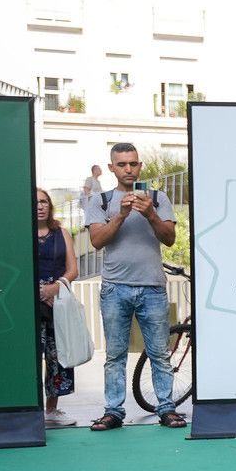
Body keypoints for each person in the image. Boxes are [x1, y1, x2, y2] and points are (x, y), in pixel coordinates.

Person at [84, 143, 184, 431]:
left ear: (140, 166)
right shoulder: (100, 201)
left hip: (152, 286)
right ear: (112, 167)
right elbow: (97, 241)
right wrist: (121, 215)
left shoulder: (157, 197)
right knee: (114, 354)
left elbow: (169, 239)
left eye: (133, 164)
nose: (128, 169)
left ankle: (166, 408)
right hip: (115, 287)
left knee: (159, 352)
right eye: (122, 164)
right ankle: (113, 411)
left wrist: (150, 214)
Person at [33, 188, 78, 428]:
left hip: (57, 303)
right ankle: (30, 409)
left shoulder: (61, 232)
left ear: (49, 205)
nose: (40, 206)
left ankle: (52, 410)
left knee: (58, 356)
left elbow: (73, 270)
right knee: (30, 356)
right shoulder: (19, 231)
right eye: (35, 202)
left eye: (43, 201)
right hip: (27, 304)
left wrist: (54, 288)